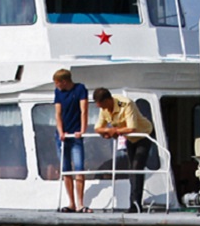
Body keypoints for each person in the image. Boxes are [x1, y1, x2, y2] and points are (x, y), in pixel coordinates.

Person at [93, 88, 154, 212]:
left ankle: (136, 205)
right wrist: (107, 132)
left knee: (137, 168)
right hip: (130, 139)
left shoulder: (126, 104)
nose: (103, 109)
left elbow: (132, 127)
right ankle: (133, 203)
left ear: (108, 100)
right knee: (132, 168)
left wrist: (114, 131)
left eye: (103, 105)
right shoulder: (104, 109)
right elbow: (98, 128)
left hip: (143, 135)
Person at [52, 68, 89, 212]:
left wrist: (82, 130)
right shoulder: (58, 93)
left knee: (79, 167)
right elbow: (58, 114)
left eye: (57, 83)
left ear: (64, 81)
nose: (56, 86)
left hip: (75, 135)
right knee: (66, 169)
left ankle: (80, 203)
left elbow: (84, 110)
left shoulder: (80, 89)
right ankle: (71, 203)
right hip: (63, 135)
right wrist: (61, 132)